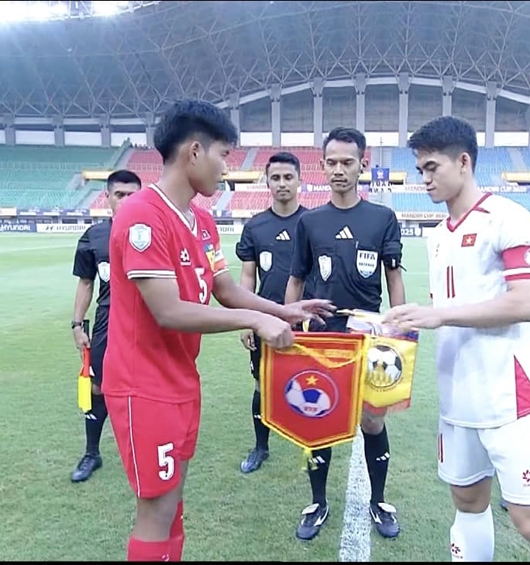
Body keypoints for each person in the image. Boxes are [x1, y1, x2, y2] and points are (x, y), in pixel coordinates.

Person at [102, 99, 334, 562]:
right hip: (142, 385)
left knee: (173, 504)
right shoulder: (142, 215)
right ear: (194, 151)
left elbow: (225, 289)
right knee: (156, 510)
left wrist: (283, 311)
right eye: (223, 155)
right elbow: (169, 311)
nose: (226, 168)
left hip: (181, 379)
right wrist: (256, 321)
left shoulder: (202, 221)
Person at [383, 116, 530, 562]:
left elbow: (525, 303)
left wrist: (439, 315)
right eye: (420, 170)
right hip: (458, 397)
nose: (424, 178)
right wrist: (407, 321)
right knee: (468, 504)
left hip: (510, 398)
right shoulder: (438, 235)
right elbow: (449, 308)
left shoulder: (507, 218)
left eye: (432, 167)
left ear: (463, 162)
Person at [284, 126, 407, 541]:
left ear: (362, 165)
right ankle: (317, 502)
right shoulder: (309, 221)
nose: (339, 169)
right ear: (322, 166)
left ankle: (379, 500)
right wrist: (288, 323)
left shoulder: (382, 218)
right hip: (322, 338)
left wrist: (398, 327)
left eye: (347, 162)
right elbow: (297, 279)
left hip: (369, 338)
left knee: (373, 421)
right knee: (318, 418)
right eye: (332, 162)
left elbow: (393, 276)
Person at [235, 151, 316, 474]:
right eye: (276, 178)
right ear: (267, 182)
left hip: (308, 322)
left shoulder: (314, 222)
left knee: (312, 381)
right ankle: (261, 447)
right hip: (265, 320)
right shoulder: (255, 226)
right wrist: (245, 319)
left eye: (288, 177)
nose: (282, 183)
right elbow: (247, 277)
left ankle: (312, 442)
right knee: (262, 384)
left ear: (299, 181)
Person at [69, 169, 142, 483]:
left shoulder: (153, 230)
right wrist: (77, 324)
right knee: (98, 386)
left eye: (132, 195)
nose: (125, 201)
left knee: (147, 386)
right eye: (119, 195)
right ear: (108, 198)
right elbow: (86, 282)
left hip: (149, 323)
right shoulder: (95, 235)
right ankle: (92, 453)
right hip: (107, 322)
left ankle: (146, 448)